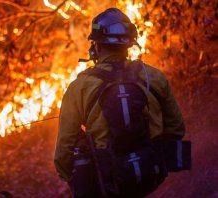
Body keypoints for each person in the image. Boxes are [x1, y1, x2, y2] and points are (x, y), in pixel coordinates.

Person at [54, 8, 186, 197]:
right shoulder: (153, 77)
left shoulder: (80, 87)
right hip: (150, 175)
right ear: (129, 44)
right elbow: (177, 130)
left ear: (96, 46)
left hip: (109, 180)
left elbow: (64, 150)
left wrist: (73, 180)